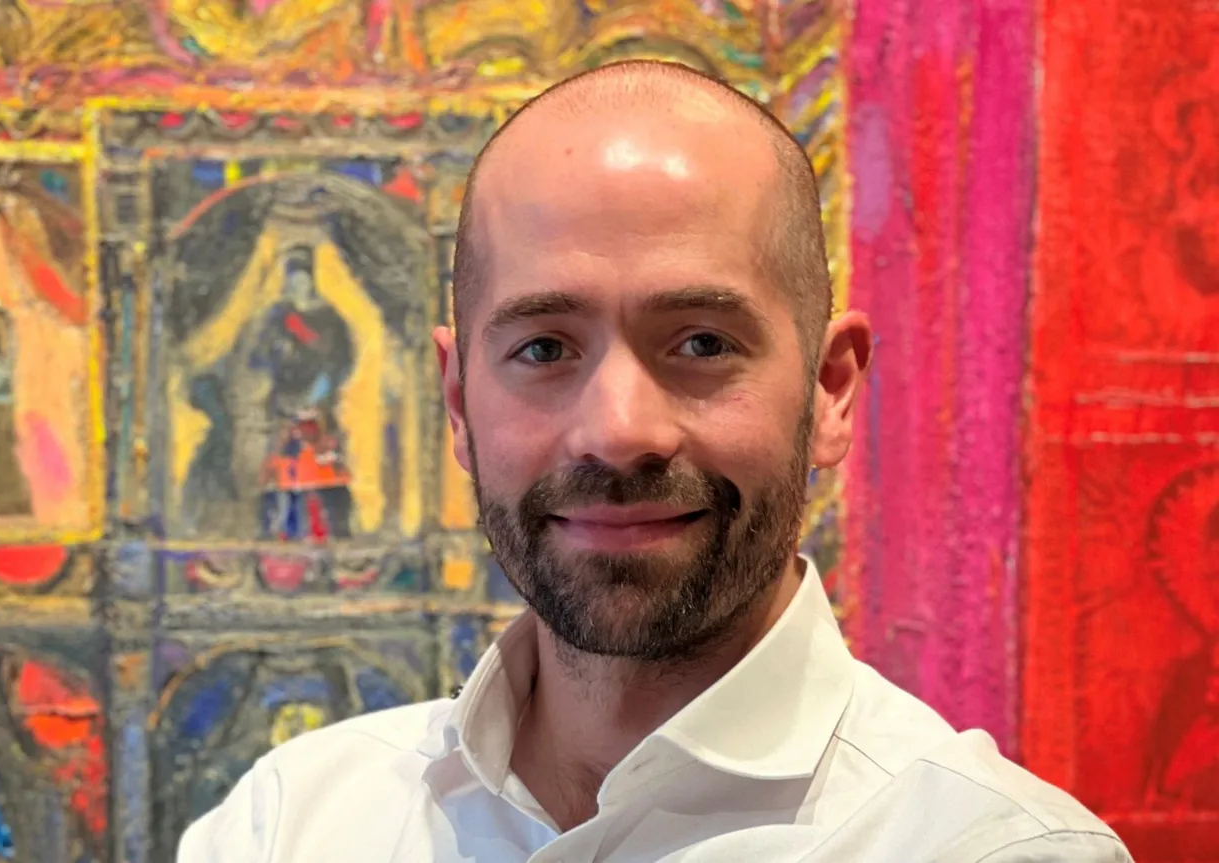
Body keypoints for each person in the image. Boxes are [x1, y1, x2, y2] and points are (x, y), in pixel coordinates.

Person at [178, 61, 1129, 862]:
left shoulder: (995, 847)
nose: (620, 430)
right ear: (461, 402)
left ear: (831, 390)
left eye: (703, 342)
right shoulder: (287, 824)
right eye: (545, 348)